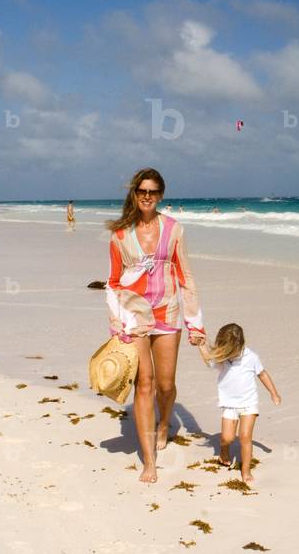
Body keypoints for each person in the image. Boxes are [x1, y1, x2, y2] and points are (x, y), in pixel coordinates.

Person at [104, 168, 205, 484]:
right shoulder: (120, 236)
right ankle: (150, 461)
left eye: (153, 191)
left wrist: (195, 323)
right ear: (134, 194)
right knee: (143, 384)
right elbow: (113, 281)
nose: (147, 196)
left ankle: (164, 425)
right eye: (141, 191)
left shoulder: (174, 229)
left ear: (160, 194)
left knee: (165, 385)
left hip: (168, 313)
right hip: (134, 318)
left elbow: (185, 276)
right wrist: (116, 322)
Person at [197, 323, 280, 485]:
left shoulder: (251, 357)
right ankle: (224, 452)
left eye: (230, 352)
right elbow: (208, 360)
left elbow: (262, 374)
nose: (227, 354)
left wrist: (273, 393)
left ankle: (246, 470)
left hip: (249, 404)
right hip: (229, 405)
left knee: (245, 437)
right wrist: (201, 345)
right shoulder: (223, 358)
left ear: (239, 346)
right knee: (227, 438)